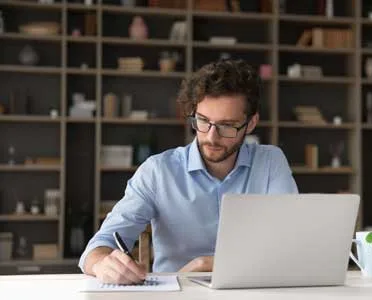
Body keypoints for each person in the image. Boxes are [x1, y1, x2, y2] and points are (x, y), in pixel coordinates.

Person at [78, 59, 299, 284]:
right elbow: (97, 248)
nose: (211, 137)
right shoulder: (157, 171)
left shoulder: (270, 162)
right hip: (177, 294)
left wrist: (206, 264)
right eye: (203, 121)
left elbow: (292, 243)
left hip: (252, 291)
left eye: (227, 125)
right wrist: (103, 264)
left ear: (251, 124)